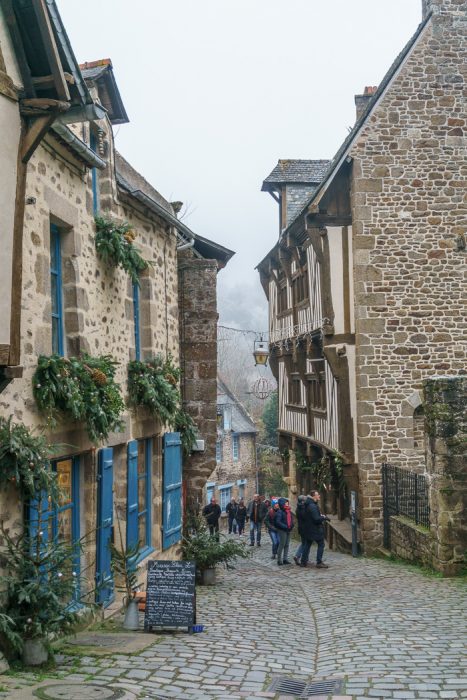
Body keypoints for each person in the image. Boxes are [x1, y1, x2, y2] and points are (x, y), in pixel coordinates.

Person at [300, 490, 330, 569]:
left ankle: (303, 562)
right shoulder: (312, 506)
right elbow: (316, 519)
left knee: (308, 544)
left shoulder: (309, 504)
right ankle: (319, 562)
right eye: (318, 495)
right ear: (313, 496)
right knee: (321, 544)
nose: (319, 496)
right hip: (315, 529)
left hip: (309, 529)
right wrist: (324, 518)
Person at [274, 497, 294, 565]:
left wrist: (291, 526)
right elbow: (278, 522)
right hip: (282, 530)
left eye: (287, 503)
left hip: (288, 530)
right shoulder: (280, 512)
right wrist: (286, 527)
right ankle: (279, 560)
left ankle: (285, 559)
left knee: (287, 545)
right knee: (282, 544)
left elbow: (291, 520)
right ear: (282, 504)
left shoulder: (288, 511)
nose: (287, 504)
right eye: (285, 503)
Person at [294, 495, 307, 565]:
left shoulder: (298, 508)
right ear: (302, 501)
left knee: (303, 543)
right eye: (305, 499)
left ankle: (298, 556)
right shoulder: (303, 508)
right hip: (305, 528)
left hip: (301, 528)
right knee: (305, 543)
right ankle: (301, 557)